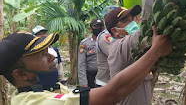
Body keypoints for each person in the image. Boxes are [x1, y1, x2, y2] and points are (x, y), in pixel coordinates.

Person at [0, 26, 172, 105]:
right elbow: (111, 94)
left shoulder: (50, 89)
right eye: (41, 55)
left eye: (47, 50)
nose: (51, 57)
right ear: (20, 74)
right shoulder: (33, 102)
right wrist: (155, 52)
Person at [104, 0, 154, 104]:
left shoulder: (134, 46)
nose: (132, 22)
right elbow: (147, 26)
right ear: (115, 31)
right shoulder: (119, 47)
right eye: (126, 20)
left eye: (132, 18)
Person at [78, 18, 104, 88]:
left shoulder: (108, 41)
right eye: (96, 26)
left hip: (105, 75)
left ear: (103, 28)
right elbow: (81, 63)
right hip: (91, 76)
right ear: (91, 28)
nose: (98, 28)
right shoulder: (85, 43)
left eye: (100, 26)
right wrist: (83, 83)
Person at [95, 5, 117, 86]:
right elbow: (116, 55)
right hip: (105, 82)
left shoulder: (118, 33)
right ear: (104, 20)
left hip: (114, 81)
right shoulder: (105, 36)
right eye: (108, 17)